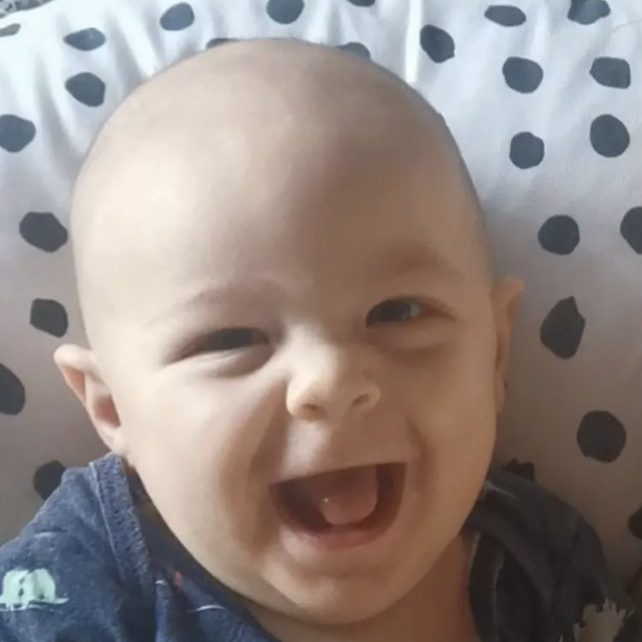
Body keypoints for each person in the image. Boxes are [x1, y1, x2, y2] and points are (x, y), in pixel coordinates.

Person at [0, 39, 637, 642]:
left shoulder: (541, 559)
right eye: (230, 337)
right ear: (113, 407)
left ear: (494, 353)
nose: (331, 380)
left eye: (397, 312)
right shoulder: (77, 584)